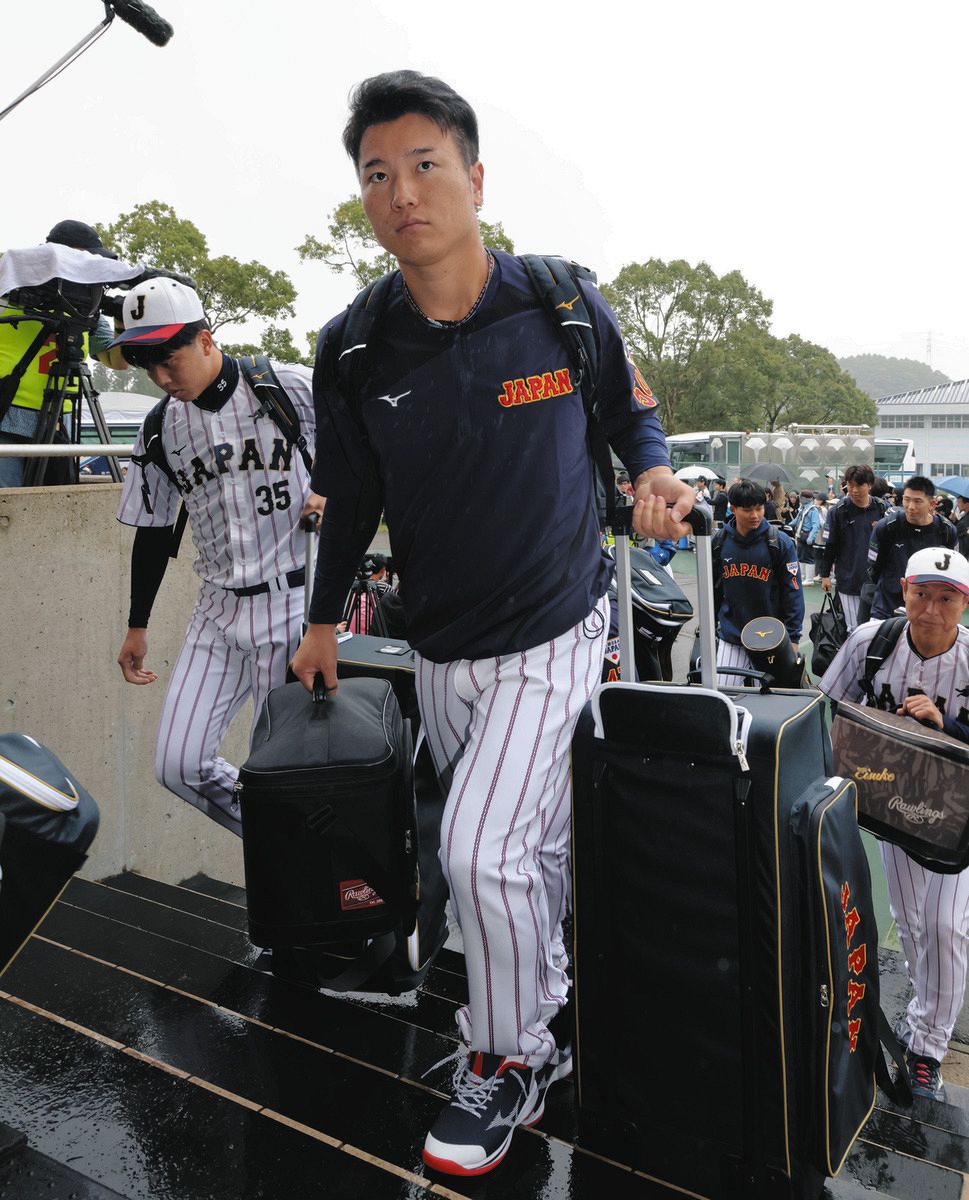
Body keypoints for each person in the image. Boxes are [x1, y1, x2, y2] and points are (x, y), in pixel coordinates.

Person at [289, 70, 695, 1177]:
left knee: (481, 852)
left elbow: (631, 412)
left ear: (474, 177)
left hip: (555, 634)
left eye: (424, 164)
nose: (401, 192)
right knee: (519, 853)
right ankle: (548, 994)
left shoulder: (557, 302)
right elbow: (351, 500)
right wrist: (321, 621)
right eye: (377, 174)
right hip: (441, 651)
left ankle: (511, 1058)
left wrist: (653, 474)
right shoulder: (354, 347)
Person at [112, 278, 322, 836]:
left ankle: (294, 869)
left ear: (205, 339)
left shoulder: (287, 386)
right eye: (146, 364)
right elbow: (154, 531)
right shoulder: (159, 427)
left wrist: (335, 488)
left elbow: (368, 443)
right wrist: (137, 625)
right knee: (178, 765)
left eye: (168, 358)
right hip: (216, 610)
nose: (161, 377)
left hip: (293, 602)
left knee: (276, 770)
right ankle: (289, 844)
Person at [818, 547, 969, 1101]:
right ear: (904, 590)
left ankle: (927, 1046)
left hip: (959, 819)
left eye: (946, 598)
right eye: (921, 594)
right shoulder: (872, 642)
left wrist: (946, 723)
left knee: (946, 926)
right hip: (896, 809)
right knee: (911, 925)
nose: (931, 609)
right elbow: (825, 706)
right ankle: (925, 1007)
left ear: (964, 603)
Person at [0, 220, 129, 487]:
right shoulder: (11, 289)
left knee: (56, 502)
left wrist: (121, 318)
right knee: (7, 506)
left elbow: (118, 361)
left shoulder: (86, 310)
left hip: (59, 422)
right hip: (6, 417)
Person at [711, 478, 803, 684]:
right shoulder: (719, 542)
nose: (755, 515)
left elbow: (793, 592)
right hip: (732, 635)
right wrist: (710, 625)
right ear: (733, 509)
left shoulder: (779, 542)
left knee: (772, 699)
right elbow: (713, 590)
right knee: (724, 695)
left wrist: (793, 637)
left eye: (759, 508)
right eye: (747, 510)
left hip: (772, 638)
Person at [868, 476, 957, 620]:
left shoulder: (946, 531)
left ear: (932, 504)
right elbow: (874, 567)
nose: (910, 506)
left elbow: (951, 571)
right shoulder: (887, 527)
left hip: (927, 611)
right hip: (886, 607)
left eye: (917, 501)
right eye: (907, 499)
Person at [816, 464, 887, 631]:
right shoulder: (838, 511)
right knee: (854, 629)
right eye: (850, 485)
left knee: (878, 629)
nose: (854, 490)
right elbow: (830, 545)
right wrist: (825, 575)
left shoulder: (882, 509)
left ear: (870, 485)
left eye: (859, 485)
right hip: (849, 580)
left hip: (878, 581)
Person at [792, 488, 823, 584]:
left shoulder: (813, 510)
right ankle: (802, 576)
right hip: (800, 535)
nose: (800, 499)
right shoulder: (802, 509)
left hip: (807, 535)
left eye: (802, 497)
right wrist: (788, 525)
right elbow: (797, 520)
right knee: (800, 556)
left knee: (809, 557)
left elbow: (816, 525)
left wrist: (811, 537)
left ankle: (809, 579)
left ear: (807, 498)